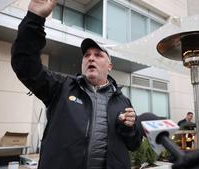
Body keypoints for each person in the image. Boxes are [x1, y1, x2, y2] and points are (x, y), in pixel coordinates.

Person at [11, 0, 142, 168]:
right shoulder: (61, 87)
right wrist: (34, 19)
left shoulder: (123, 102)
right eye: (86, 55)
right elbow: (24, 64)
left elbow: (135, 143)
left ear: (109, 66)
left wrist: (129, 128)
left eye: (98, 55)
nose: (91, 58)